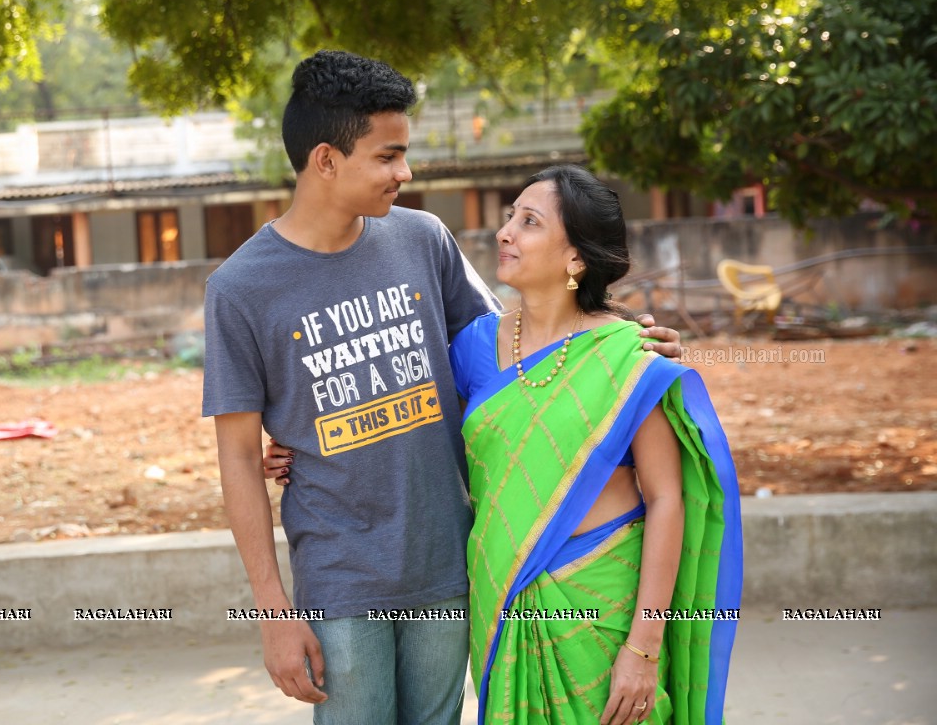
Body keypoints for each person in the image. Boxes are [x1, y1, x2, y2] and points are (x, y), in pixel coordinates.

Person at [204, 50, 682, 724]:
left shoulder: (422, 239)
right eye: (388, 156)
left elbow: (519, 359)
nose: (406, 172)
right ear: (325, 160)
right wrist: (275, 614)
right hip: (341, 575)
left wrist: (627, 344)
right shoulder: (240, 289)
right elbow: (235, 458)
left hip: (448, 564)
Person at [450, 165, 742, 724]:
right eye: (510, 215)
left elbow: (666, 499)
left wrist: (643, 649)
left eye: (528, 221)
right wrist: (301, 452)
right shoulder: (473, 348)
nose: (504, 231)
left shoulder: (629, 357)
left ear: (576, 258)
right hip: (503, 601)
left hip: (602, 610)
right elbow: (417, 437)